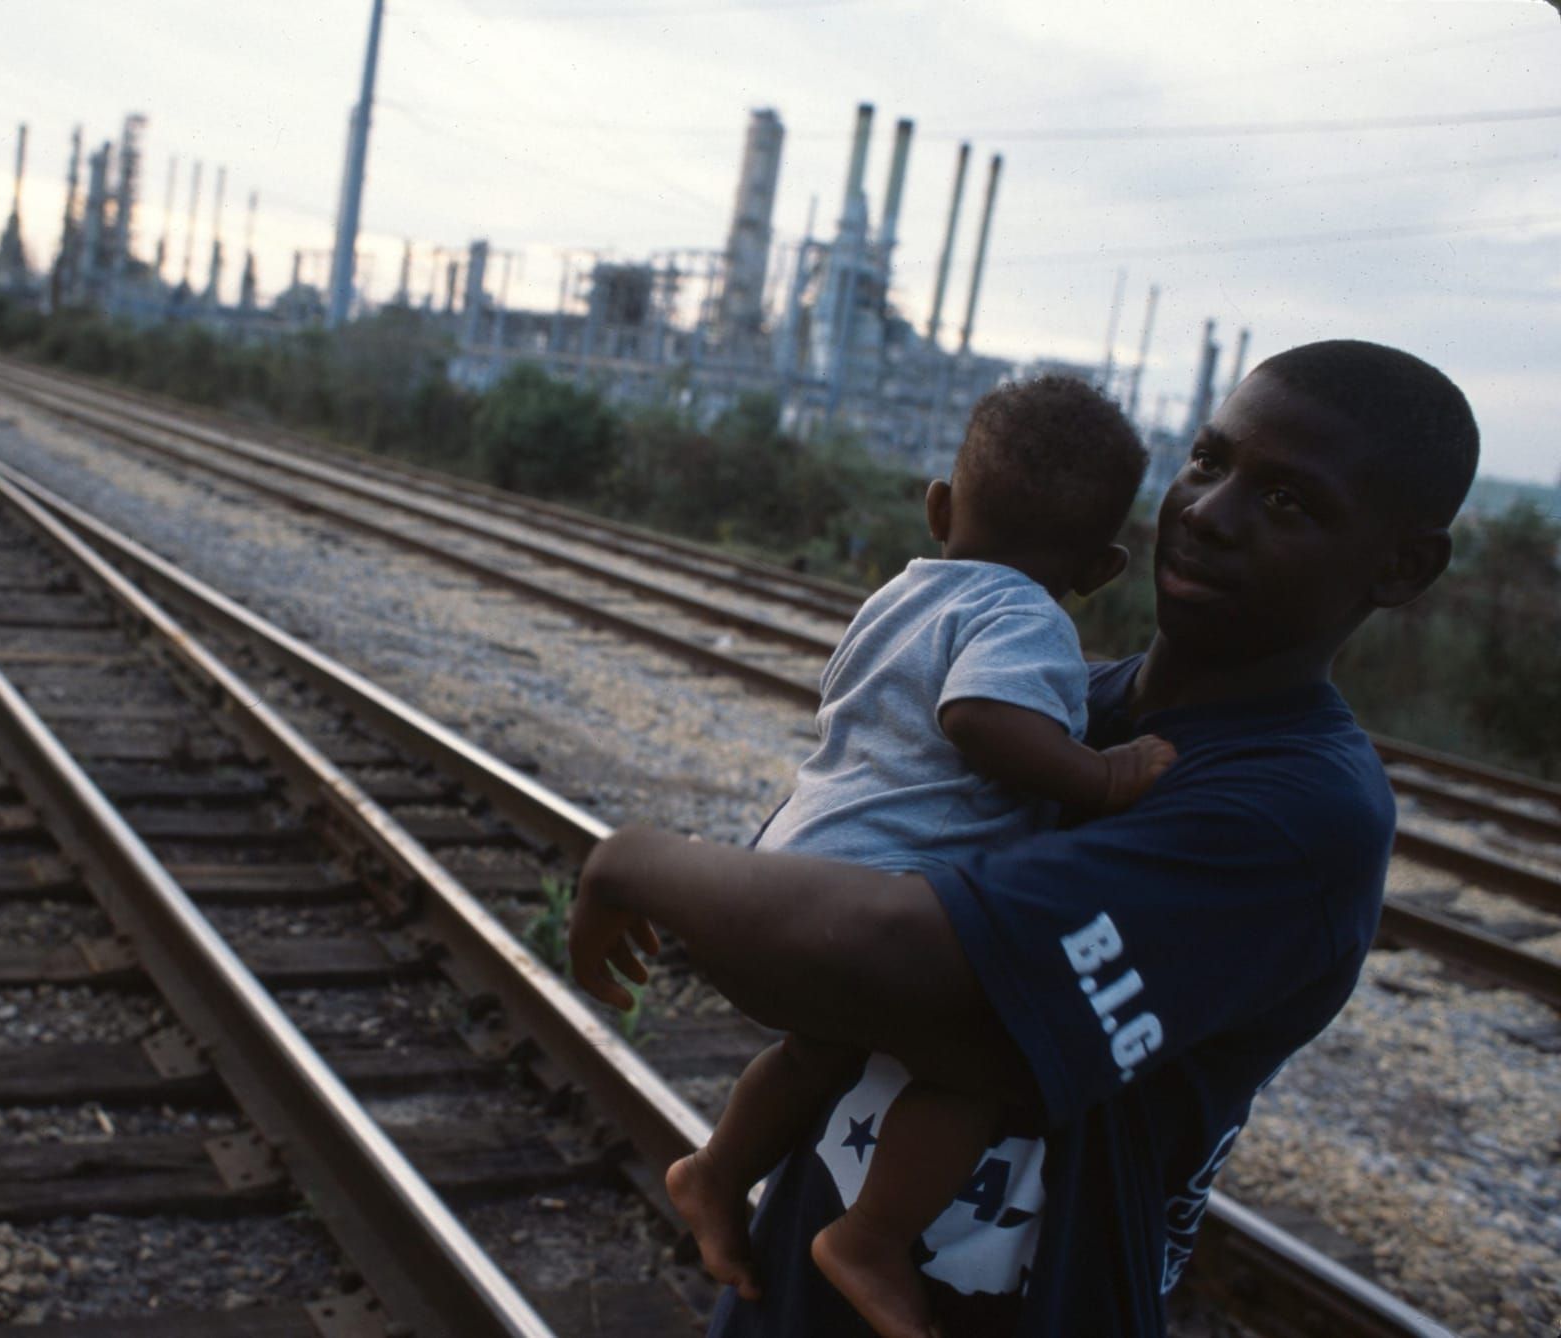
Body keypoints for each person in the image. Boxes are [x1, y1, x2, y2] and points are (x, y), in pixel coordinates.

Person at [570, 340, 1478, 1336]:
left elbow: (847, 954)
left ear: (1400, 565)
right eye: (1207, 463)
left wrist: (632, 861)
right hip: (790, 1291)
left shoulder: (1294, 813)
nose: (1205, 516)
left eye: (1284, 501)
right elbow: (807, 893)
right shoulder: (1054, 712)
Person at [664, 375, 1177, 1338]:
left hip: (790, 868)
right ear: (1105, 569)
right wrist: (1101, 777)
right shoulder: (1025, 617)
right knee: (978, 1069)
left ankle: (718, 1169)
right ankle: (869, 1237)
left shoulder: (901, 593)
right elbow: (980, 717)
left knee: (817, 1048)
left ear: (939, 506)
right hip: (875, 900)